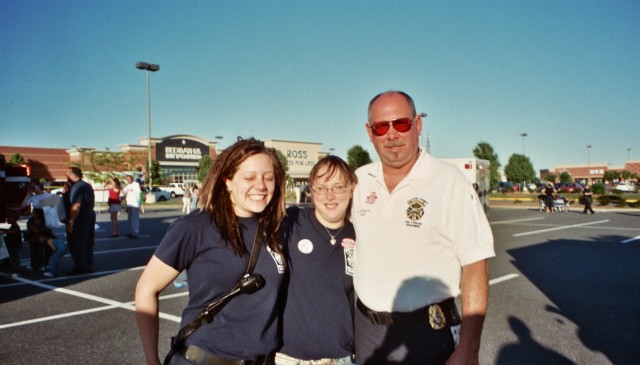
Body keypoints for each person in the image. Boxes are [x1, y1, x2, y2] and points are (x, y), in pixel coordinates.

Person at [351, 91, 495, 365]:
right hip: (368, 330)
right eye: (381, 127)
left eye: (401, 123)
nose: (391, 134)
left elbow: (476, 266)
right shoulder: (359, 181)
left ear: (418, 125)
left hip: (429, 332)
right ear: (369, 133)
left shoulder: (449, 181)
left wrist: (469, 348)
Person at [135, 138, 287, 365]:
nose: (261, 185)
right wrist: (151, 360)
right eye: (249, 177)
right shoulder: (196, 226)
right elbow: (146, 288)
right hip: (205, 358)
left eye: (268, 177)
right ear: (227, 181)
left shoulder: (276, 229)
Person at [276, 156, 357, 365]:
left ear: (352, 188)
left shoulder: (360, 233)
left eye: (338, 187)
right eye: (321, 188)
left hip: (340, 357)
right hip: (290, 357)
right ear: (311, 190)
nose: (329, 196)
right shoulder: (293, 221)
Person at [66, 167, 96, 275]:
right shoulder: (87, 185)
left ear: (73, 175)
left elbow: (76, 205)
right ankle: (89, 264)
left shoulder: (77, 187)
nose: (67, 178)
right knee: (88, 242)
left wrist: (70, 221)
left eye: (68, 175)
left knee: (77, 243)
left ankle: (80, 267)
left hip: (80, 218)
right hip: (90, 215)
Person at [0, 210, 23, 277]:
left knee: (15, 259)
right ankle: (13, 271)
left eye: (9, 218)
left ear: (14, 219)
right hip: (11, 245)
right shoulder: (11, 225)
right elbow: (7, 230)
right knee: (11, 259)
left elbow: (13, 231)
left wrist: (4, 232)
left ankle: (17, 271)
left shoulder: (16, 226)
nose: (7, 219)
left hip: (16, 245)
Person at [25, 208, 46, 272]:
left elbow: (42, 231)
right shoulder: (30, 221)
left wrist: (35, 230)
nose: (32, 214)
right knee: (33, 253)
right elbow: (29, 229)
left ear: (38, 214)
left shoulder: (42, 221)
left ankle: (41, 265)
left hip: (40, 240)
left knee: (40, 253)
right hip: (32, 239)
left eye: (33, 213)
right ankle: (33, 265)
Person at [122, 175, 141, 239]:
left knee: (134, 219)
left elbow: (139, 193)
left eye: (129, 179)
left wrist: (141, 204)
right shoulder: (127, 186)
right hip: (129, 204)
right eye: (127, 179)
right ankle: (132, 231)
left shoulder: (136, 184)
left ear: (132, 179)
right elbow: (124, 192)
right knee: (130, 219)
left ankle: (135, 232)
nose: (128, 180)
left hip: (135, 204)